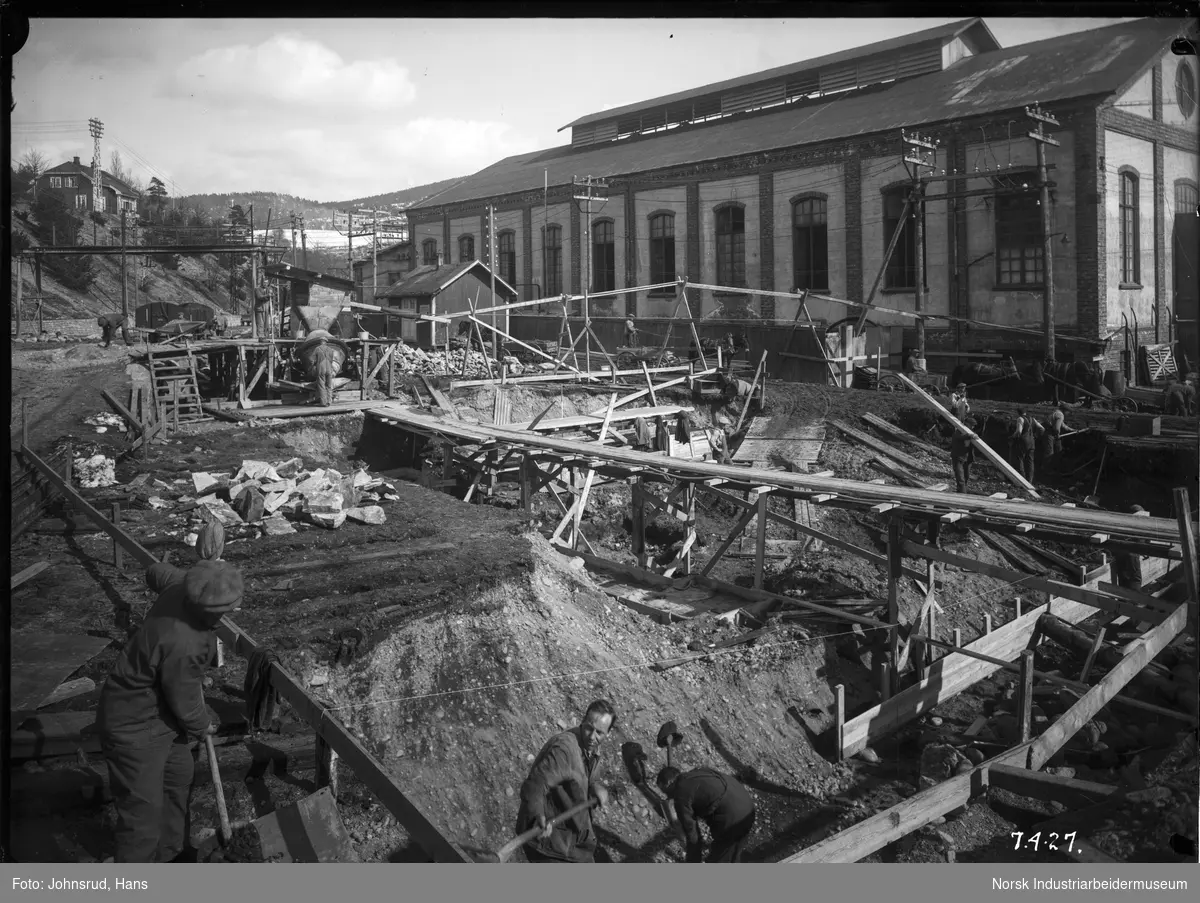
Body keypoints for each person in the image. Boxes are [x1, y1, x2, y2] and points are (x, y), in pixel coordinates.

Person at [96, 559, 244, 862]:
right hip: (134, 723)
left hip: (163, 718)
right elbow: (186, 701)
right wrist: (203, 726)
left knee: (177, 779)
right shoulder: (185, 641)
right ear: (213, 611)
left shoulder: (182, 586)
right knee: (143, 815)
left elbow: (155, 571)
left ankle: (171, 858)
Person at [515, 699, 615, 863]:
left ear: (608, 733)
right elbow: (535, 784)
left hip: (570, 840)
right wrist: (537, 817)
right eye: (589, 728)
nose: (592, 736)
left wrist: (595, 787)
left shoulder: (593, 749)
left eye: (599, 732)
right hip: (549, 844)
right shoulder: (565, 750)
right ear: (583, 721)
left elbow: (586, 779)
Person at [656, 766, 756, 862]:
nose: (668, 796)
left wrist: (693, 861)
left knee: (719, 859)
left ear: (669, 783)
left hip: (733, 817)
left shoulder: (681, 794)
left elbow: (692, 835)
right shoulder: (697, 773)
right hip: (747, 806)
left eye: (665, 791)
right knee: (732, 852)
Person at [1114, 505, 1147, 591]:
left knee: (1123, 578)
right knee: (1134, 578)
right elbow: (1141, 542)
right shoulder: (1138, 526)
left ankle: (1124, 600)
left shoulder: (1124, 523)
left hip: (1121, 555)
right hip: (1130, 556)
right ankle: (1133, 600)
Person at [1008, 408, 1043, 483]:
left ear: (1018, 413)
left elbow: (1019, 431)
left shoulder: (1020, 419)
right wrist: (1035, 436)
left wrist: (1012, 437)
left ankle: (1022, 479)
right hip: (1032, 442)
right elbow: (1042, 428)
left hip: (1023, 442)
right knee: (1030, 461)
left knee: (1019, 459)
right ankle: (1029, 481)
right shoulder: (1032, 419)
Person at [951, 415, 977, 494]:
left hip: (967, 459)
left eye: (973, 426)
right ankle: (963, 496)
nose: (972, 427)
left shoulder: (971, 433)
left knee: (966, 478)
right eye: (971, 425)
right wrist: (970, 436)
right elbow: (960, 437)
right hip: (958, 457)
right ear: (966, 424)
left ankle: (960, 493)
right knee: (960, 479)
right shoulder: (959, 431)